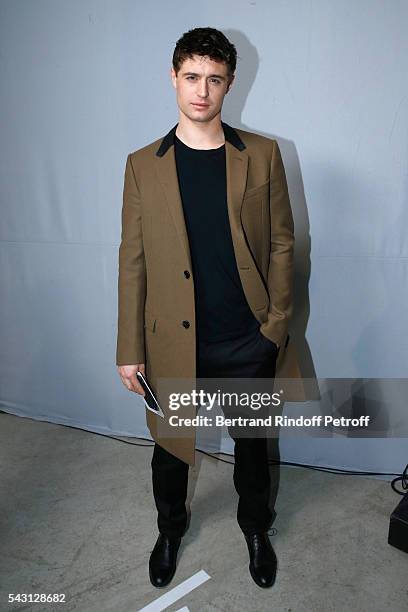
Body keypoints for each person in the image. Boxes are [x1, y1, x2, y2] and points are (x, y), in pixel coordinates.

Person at [116, 27, 295, 589]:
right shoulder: (143, 164)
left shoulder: (262, 155)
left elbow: (283, 243)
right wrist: (129, 350)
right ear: (174, 78)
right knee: (170, 453)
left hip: (247, 338)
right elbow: (133, 260)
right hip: (172, 341)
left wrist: (276, 326)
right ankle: (170, 530)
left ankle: (256, 529)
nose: (202, 91)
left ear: (229, 84)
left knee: (253, 448)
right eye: (192, 77)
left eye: (214, 79)